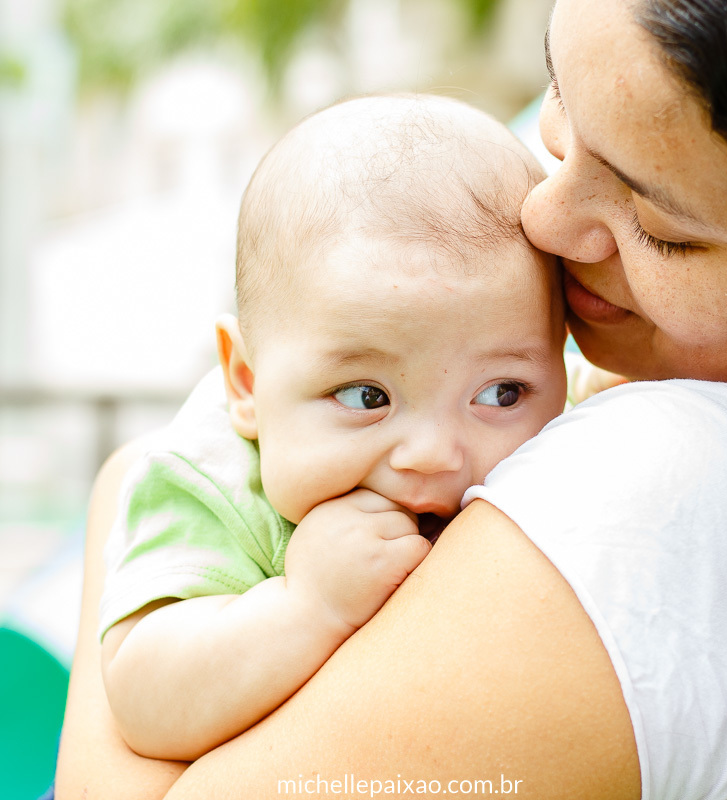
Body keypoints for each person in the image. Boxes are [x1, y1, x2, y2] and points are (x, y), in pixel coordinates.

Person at [56, 0, 727, 797]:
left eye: (663, 230)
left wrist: (120, 498)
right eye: (561, 117)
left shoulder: (679, 486)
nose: (541, 218)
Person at [96, 94, 570, 761]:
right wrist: (305, 607)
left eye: (500, 393)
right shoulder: (215, 484)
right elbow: (142, 699)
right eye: (364, 394)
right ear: (247, 384)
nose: (434, 454)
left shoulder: (568, 465)